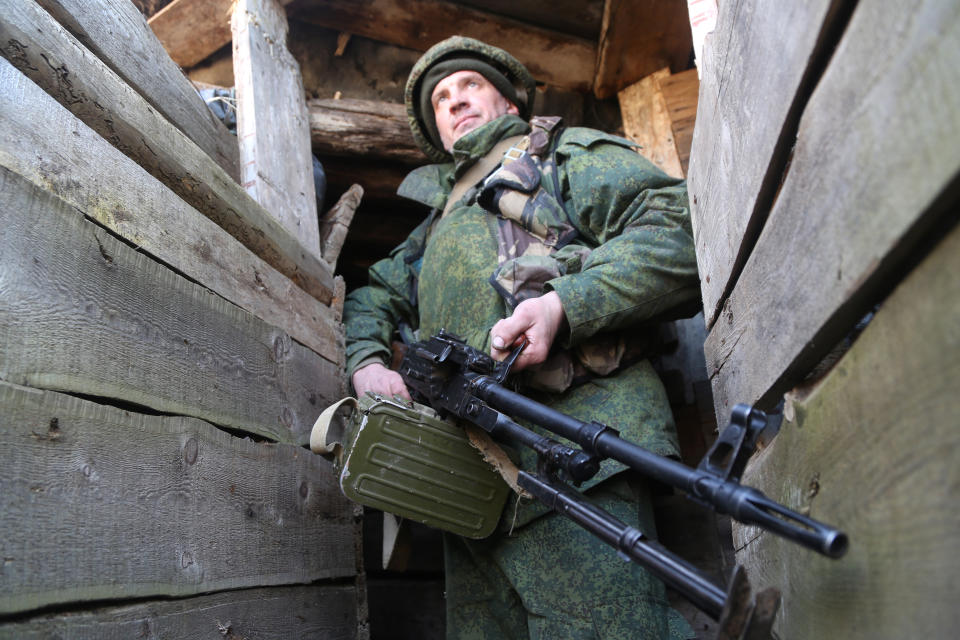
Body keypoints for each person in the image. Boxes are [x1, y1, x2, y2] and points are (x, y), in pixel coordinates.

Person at [344, 36, 700, 640]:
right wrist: (367, 361)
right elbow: (373, 297)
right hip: (465, 490)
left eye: (469, 86)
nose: (455, 102)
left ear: (508, 101)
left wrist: (566, 306)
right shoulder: (432, 229)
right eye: (440, 99)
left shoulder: (563, 155)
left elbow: (680, 233)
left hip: (579, 456)